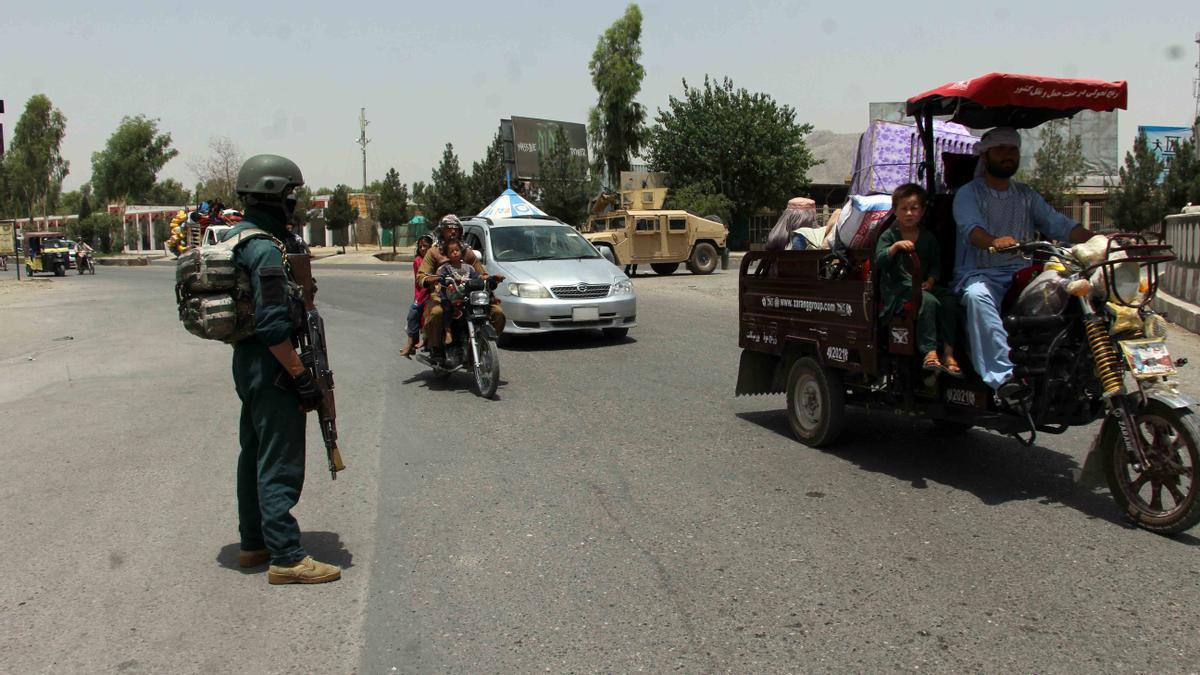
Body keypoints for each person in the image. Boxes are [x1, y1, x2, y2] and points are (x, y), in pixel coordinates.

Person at [224, 154, 340, 585]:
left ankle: (254, 542)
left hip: (250, 362)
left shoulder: (240, 237)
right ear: (274, 194)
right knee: (280, 458)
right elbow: (273, 325)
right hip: (272, 362)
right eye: (292, 194)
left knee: (254, 452)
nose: (295, 202)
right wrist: (300, 376)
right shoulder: (264, 249)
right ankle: (287, 558)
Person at [952, 127, 1094, 401]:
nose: (1008, 155)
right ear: (986, 154)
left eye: (1013, 150)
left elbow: (1059, 225)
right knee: (976, 297)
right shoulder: (969, 194)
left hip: (1023, 274)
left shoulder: (1026, 195)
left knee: (1074, 290)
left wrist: (1098, 239)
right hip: (982, 274)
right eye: (1001, 149)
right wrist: (994, 241)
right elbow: (972, 230)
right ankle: (1004, 379)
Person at [875, 183, 960, 376]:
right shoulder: (889, 235)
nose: (909, 213)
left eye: (914, 208)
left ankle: (948, 353)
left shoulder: (928, 237)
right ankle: (929, 352)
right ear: (895, 211)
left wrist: (930, 280)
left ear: (921, 211)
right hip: (899, 291)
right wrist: (895, 247)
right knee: (927, 301)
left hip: (923, 287)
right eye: (904, 209)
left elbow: (936, 265)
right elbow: (879, 260)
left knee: (948, 300)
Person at [417, 215, 505, 360]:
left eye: (455, 229)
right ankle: (437, 349)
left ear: (460, 231)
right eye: (448, 229)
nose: (452, 232)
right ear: (442, 231)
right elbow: (421, 276)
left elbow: (481, 274)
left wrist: (490, 278)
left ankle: (485, 344)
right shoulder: (433, 252)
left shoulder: (467, 252)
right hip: (443, 295)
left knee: (498, 312)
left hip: (469, 296)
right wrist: (431, 279)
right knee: (437, 312)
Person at [400, 234, 433, 358]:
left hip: (435, 292)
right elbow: (421, 280)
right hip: (422, 293)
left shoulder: (436, 258)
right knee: (413, 315)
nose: (423, 249)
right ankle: (411, 343)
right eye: (420, 247)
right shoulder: (418, 261)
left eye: (425, 246)